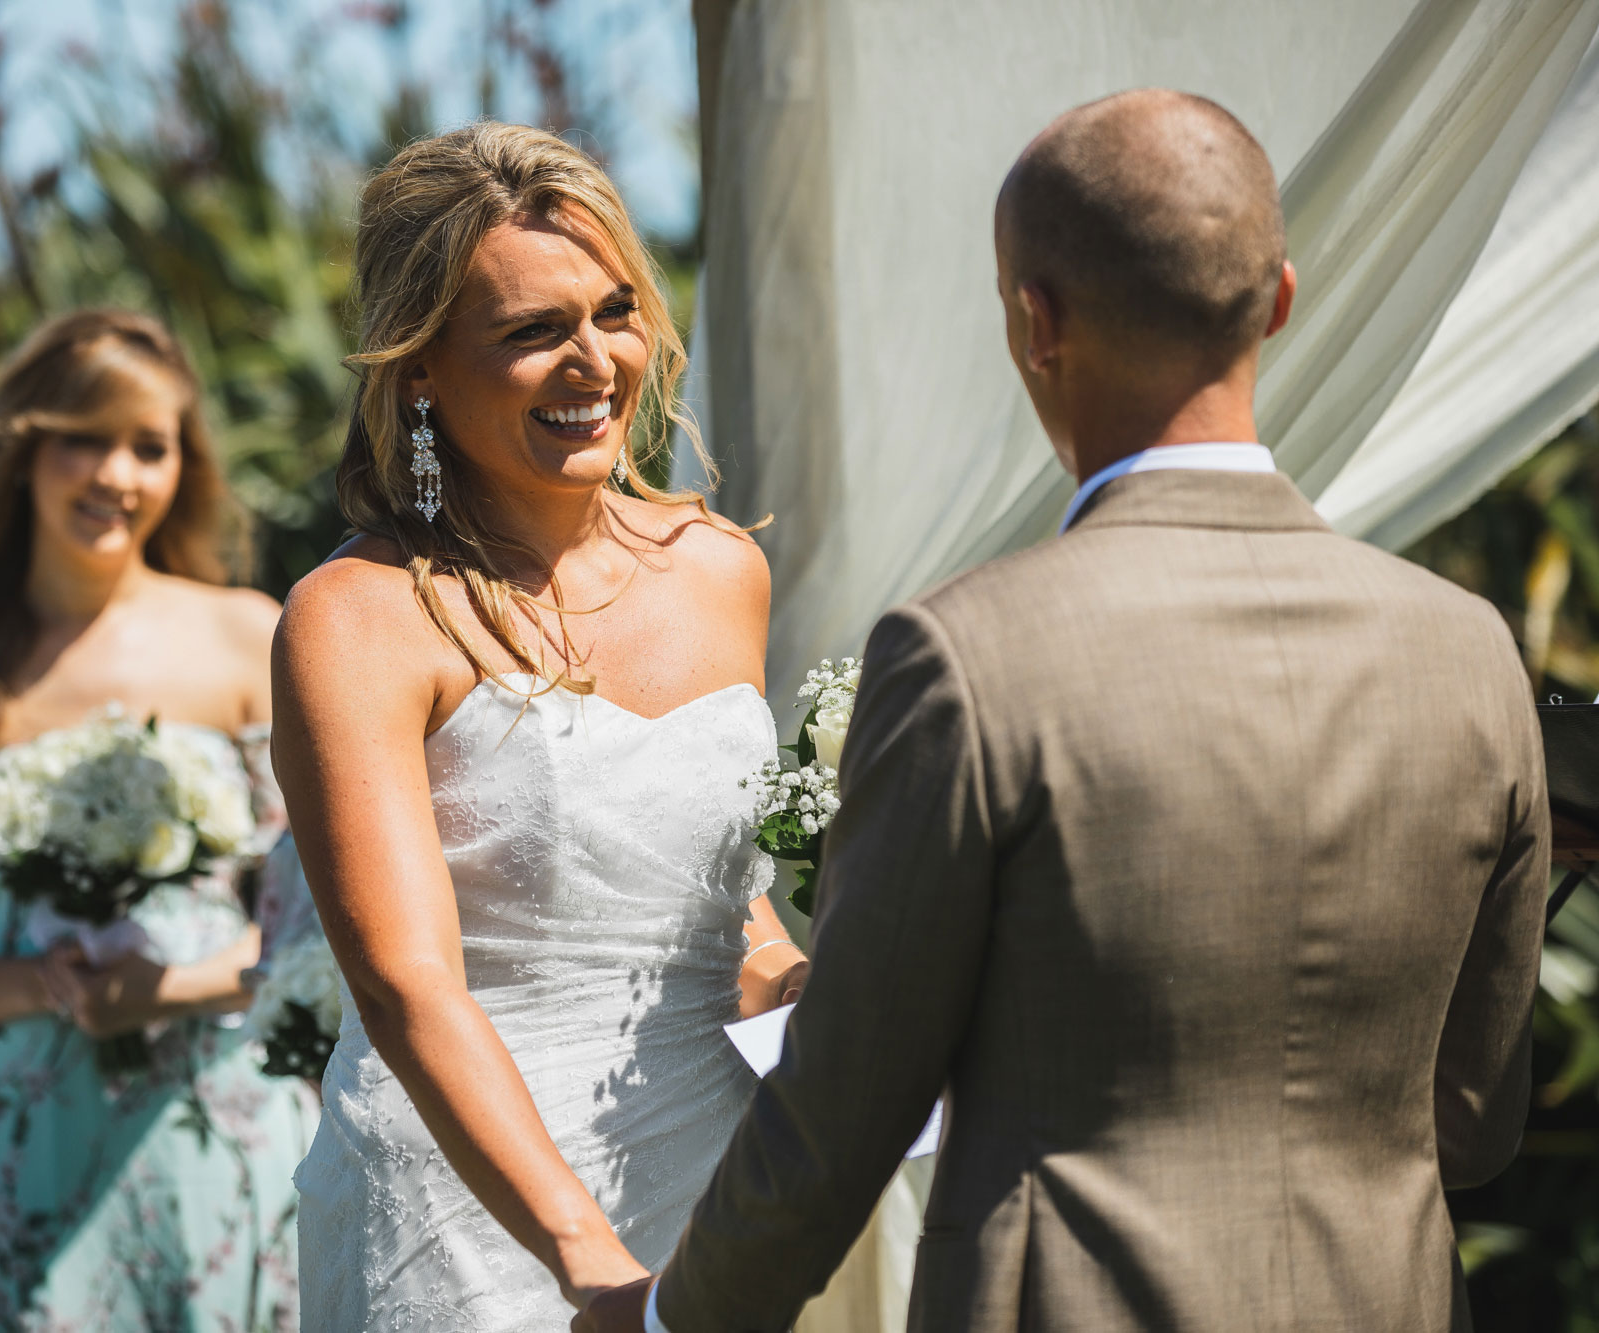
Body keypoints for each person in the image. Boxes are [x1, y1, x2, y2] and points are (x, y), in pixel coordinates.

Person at [579, 88, 1550, 1333]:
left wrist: (666, 1318)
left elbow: (839, 1121)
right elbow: (1469, 1119)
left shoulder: (965, 655)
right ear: (1280, 302)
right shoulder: (1467, 651)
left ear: (1034, 322)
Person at [269, 121, 810, 1330]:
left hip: (717, 1185)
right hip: (471, 1219)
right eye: (531, 333)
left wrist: (803, 986)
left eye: (614, 311)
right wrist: (588, 1261)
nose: (595, 362)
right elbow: (407, 986)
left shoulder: (719, 568)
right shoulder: (355, 622)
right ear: (417, 371)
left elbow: (724, 912)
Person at [0, 309, 315, 1331]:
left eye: (149, 446)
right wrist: (36, 984)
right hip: (6, 1161)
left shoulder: (247, 638)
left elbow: (322, 926)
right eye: (86, 436)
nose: (117, 474)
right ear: (25, 450)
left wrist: (167, 989)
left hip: (216, 1134)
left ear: (182, 467)